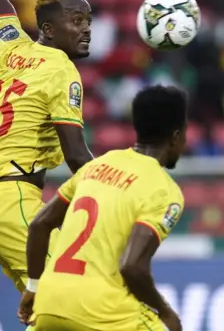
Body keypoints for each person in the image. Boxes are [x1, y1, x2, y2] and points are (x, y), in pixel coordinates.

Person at [17, 85, 187, 331]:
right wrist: (165, 311)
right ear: (175, 136)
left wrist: (33, 288)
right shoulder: (164, 190)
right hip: (103, 311)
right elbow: (132, 267)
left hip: (49, 305)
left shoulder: (97, 166)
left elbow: (40, 224)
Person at [0, 0, 93, 296]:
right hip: (12, 197)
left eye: (88, 21)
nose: (87, 29)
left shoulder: (10, 47)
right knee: (67, 297)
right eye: (76, 21)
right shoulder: (61, 71)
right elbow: (76, 155)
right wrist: (121, 183)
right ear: (49, 30)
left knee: (39, 304)